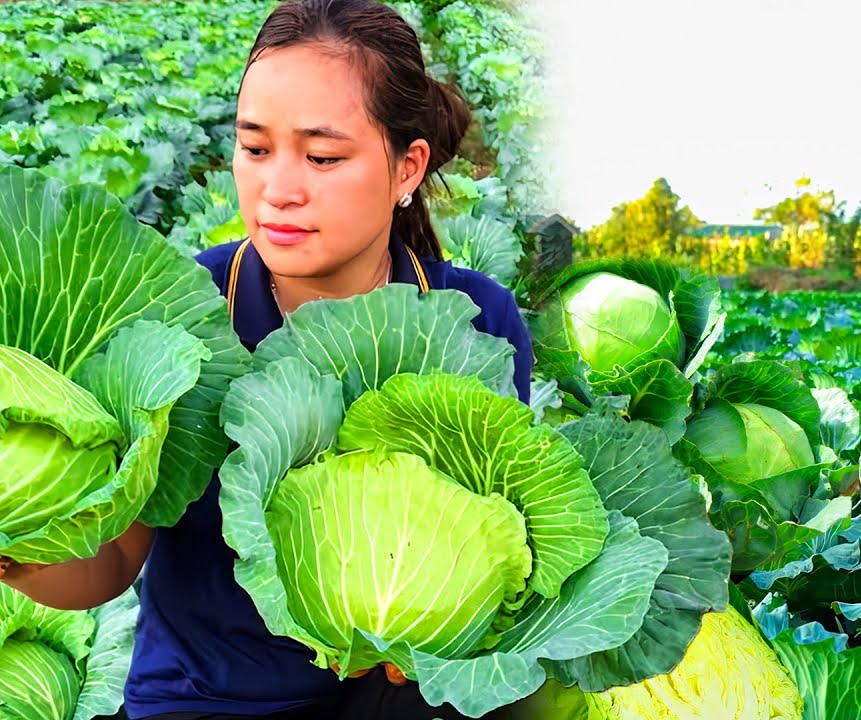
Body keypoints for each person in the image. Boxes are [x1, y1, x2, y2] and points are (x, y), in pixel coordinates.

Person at [0, 1, 534, 718]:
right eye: (255, 149)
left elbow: (503, 528)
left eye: (322, 157)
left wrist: (441, 631)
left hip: (400, 697)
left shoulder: (479, 320)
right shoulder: (181, 314)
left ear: (408, 166)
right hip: (207, 699)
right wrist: (23, 554)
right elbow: (114, 562)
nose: (277, 190)